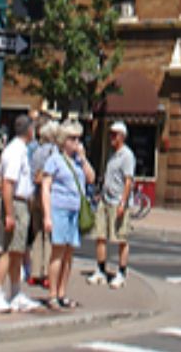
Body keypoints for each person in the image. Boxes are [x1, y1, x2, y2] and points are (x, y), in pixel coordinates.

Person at [0, 114, 43, 314]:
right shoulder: (15, 151)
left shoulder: (18, 150)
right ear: (29, 130)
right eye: (33, 129)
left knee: (17, 251)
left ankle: (15, 292)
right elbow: (7, 183)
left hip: (20, 203)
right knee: (9, 250)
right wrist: (10, 213)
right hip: (16, 204)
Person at [39, 121, 94, 310]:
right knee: (58, 252)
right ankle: (52, 294)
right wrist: (47, 215)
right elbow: (45, 187)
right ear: (63, 141)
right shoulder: (54, 160)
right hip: (59, 208)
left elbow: (91, 178)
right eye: (72, 138)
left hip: (75, 210)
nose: (76, 142)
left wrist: (84, 159)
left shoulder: (78, 161)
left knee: (69, 254)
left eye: (78, 138)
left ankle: (63, 293)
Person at [88, 122, 138, 288]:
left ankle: (121, 272)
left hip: (118, 202)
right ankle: (100, 270)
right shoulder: (111, 154)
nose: (111, 137)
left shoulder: (127, 156)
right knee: (100, 235)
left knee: (121, 238)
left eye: (115, 134)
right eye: (110, 134)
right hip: (105, 199)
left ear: (122, 137)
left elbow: (128, 181)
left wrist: (123, 203)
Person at [27, 117, 61, 290]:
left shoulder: (37, 151)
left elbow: (32, 173)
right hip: (49, 196)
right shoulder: (55, 152)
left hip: (35, 194)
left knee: (37, 233)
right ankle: (47, 274)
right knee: (49, 236)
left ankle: (34, 272)